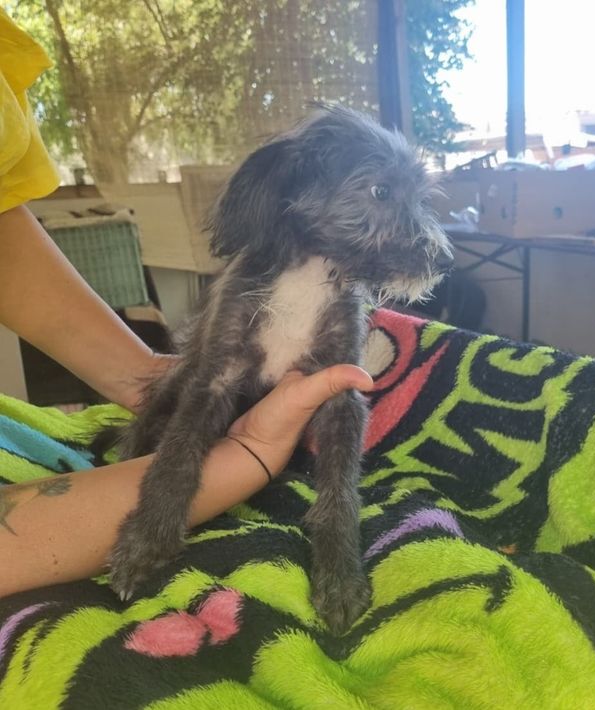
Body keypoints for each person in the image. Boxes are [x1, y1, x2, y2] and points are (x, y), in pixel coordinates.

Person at [0, 10, 373, 598]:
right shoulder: (253, 272)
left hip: (261, 434)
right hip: (229, 440)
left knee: (323, 402)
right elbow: (208, 386)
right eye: (380, 193)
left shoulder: (346, 292)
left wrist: (146, 379)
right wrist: (239, 456)